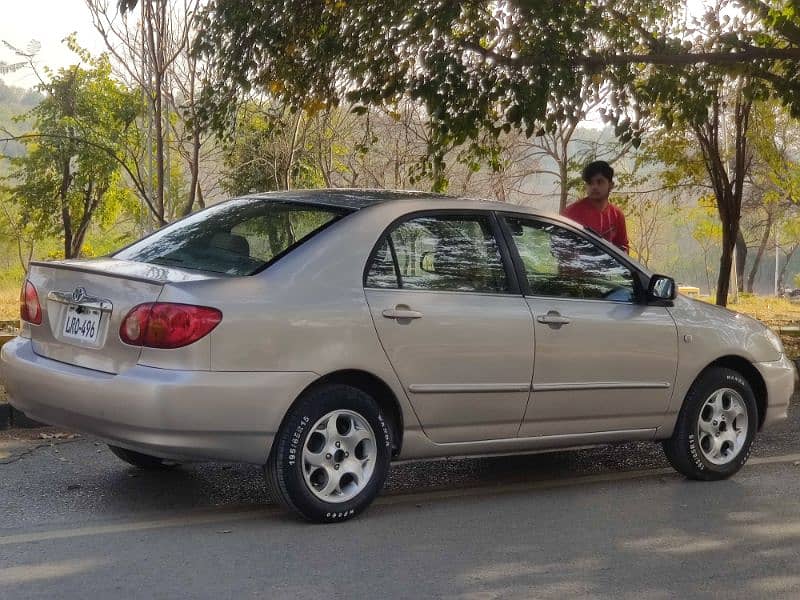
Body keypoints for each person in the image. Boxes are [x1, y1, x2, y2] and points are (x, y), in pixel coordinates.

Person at [561, 160, 629, 253]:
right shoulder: (571, 213)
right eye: (590, 183)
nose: (594, 187)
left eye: (600, 182)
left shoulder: (617, 215)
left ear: (611, 185)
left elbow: (623, 248)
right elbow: (560, 248)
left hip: (608, 266)